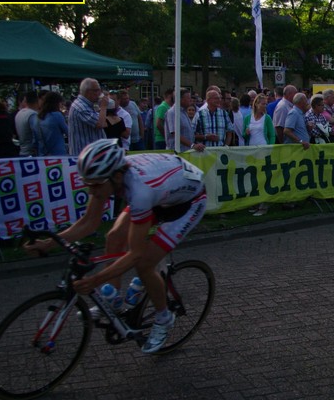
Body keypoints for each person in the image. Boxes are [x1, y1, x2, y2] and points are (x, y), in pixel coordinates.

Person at [24, 139, 207, 353]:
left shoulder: (139, 191)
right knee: (113, 237)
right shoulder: (109, 177)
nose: (92, 191)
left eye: (96, 185)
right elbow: (89, 222)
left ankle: (164, 318)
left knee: (144, 264)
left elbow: (135, 254)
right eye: (87, 184)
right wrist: (48, 244)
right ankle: (113, 298)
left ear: (117, 177)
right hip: (164, 192)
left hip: (189, 202)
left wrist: (95, 280)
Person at [67, 78, 108, 155]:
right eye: (96, 90)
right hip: (84, 155)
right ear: (87, 92)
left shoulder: (87, 105)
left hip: (90, 154)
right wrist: (103, 107)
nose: (100, 93)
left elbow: (104, 123)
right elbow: (101, 124)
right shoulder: (81, 107)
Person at [32, 92, 69, 156]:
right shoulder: (57, 115)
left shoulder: (37, 118)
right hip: (58, 154)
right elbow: (68, 132)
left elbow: (35, 141)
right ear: (57, 103)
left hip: (42, 155)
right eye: (61, 103)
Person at [14, 91, 40, 156]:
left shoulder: (19, 113)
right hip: (32, 152)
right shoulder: (33, 115)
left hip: (22, 150)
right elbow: (36, 134)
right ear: (37, 101)